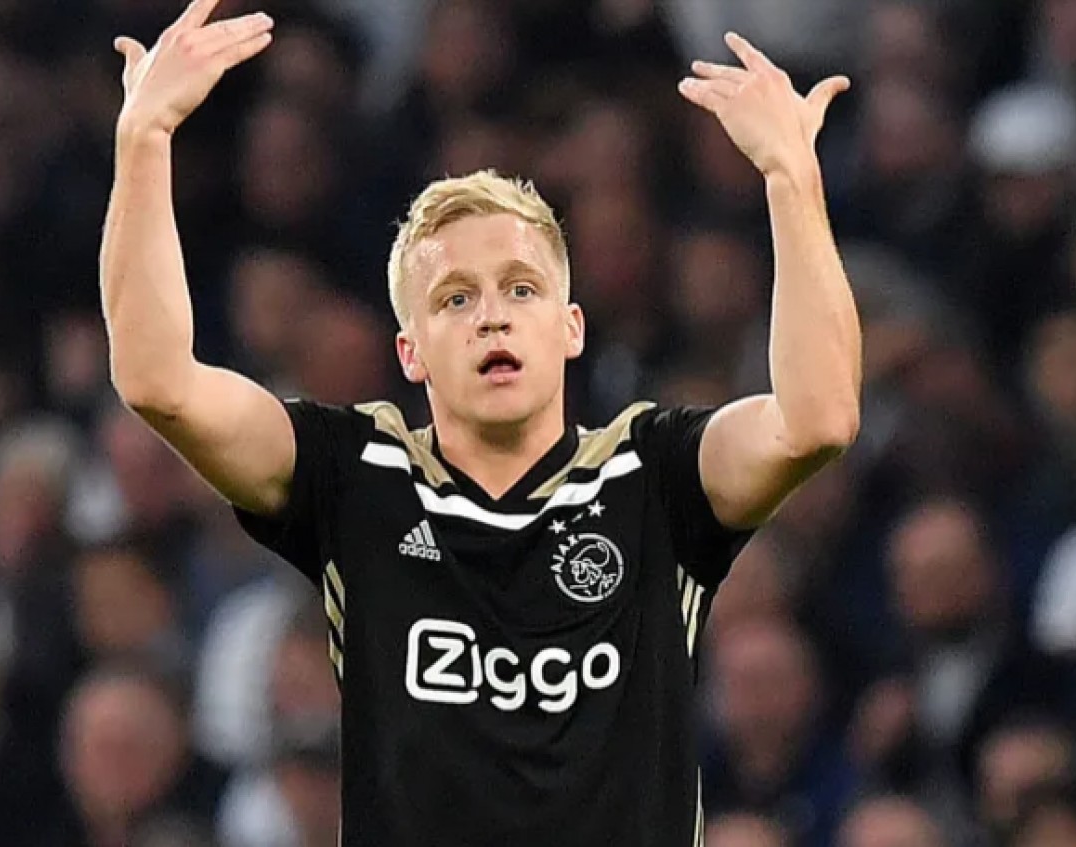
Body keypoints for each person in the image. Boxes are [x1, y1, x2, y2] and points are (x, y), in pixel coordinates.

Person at [99, 1, 862, 845]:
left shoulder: (654, 475)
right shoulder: (355, 475)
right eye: (455, 298)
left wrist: (792, 179)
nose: (492, 315)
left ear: (571, 328)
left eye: (521, 289)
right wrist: (145, 141)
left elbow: (816, 420)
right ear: (411, 351)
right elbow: (158, 381)